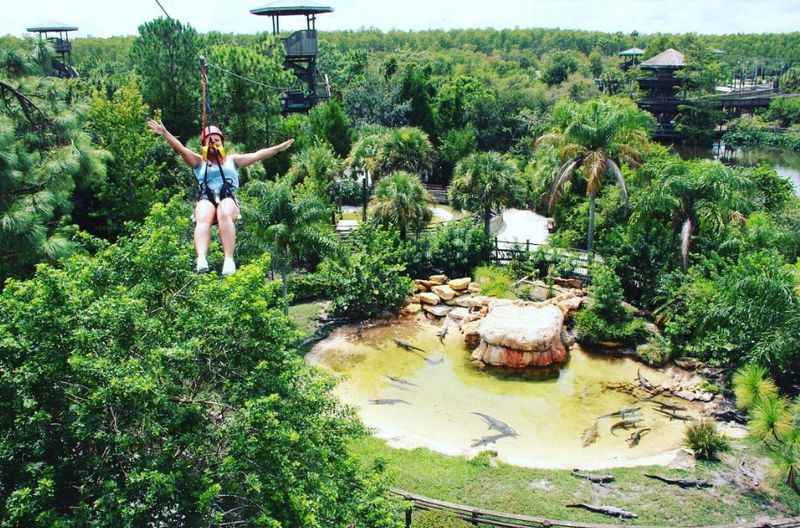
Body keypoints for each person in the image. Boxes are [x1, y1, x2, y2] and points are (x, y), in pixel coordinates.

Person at [147, 120, 293, 275]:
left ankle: (228, 259)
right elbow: (181, 149)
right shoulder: (199, 161)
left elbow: (257, 155)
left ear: (222, 142)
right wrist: (165, 133)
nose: (214, 143)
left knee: (224, 210)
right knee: (202, 216)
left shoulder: (232, 160)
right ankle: (201, 258)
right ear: (204, 145)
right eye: (210, 141)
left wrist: (278, 148)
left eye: (217, 140)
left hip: (227, 197)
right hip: (206, 198)